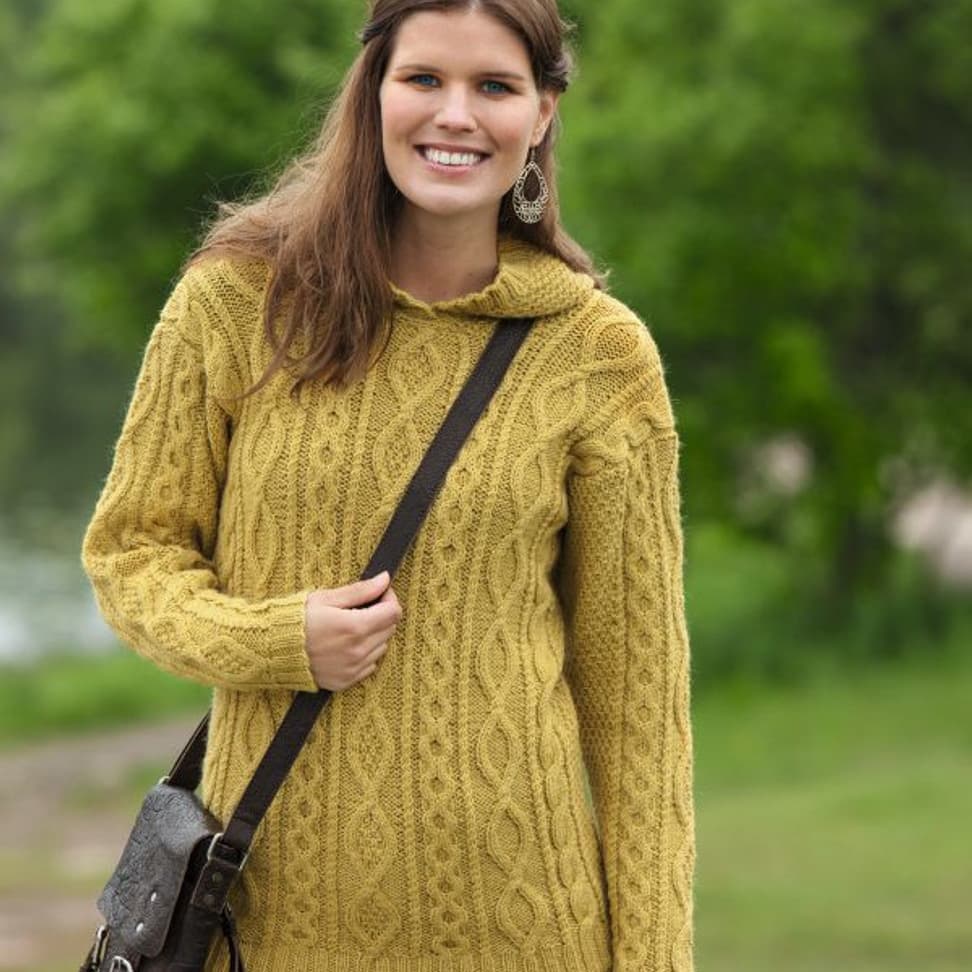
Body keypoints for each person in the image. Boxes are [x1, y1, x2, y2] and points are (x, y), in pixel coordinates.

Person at [81, 1, 695, 969]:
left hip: (527, 932)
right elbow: (130, 554)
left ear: (542, 113)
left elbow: (640, 720)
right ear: (374, 90)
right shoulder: (236, 303)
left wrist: (656, 960)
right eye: (424, 79)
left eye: (494, 86)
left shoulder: (597, 355)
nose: (456, 115)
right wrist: (276, 640)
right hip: (272, 927)